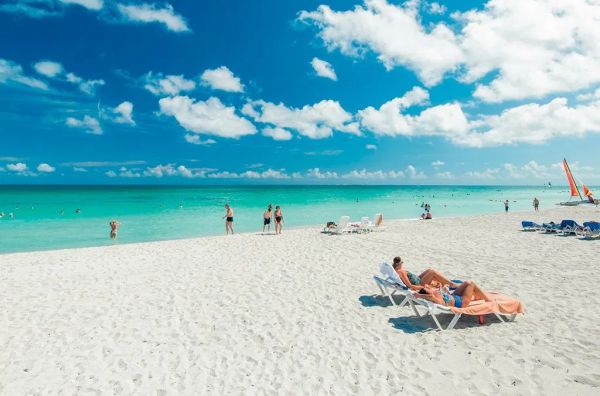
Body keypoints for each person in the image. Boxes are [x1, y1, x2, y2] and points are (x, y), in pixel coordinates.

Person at [392, 256, 457, 290]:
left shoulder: (396, 270)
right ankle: (452, 284)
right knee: (432, 272)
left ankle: (444, 284)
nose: (402, 264)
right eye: (402, 263)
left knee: (429, 270)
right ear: (398, 265)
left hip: (417, 279)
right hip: (419, 284)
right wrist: (423, 288)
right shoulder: (401, 272)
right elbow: (410, 286)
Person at [414, 280, 490, 308]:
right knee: (471, 284)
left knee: (467, 282)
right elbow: (430, 296)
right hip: (460, 302)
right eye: (427, 288)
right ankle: (487, 299)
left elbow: (445, 296)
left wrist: (445, 290)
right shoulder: (434, 298)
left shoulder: (435, 294)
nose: (427, 286)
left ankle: (478, 296)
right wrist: (419, 295)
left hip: (454, 296)